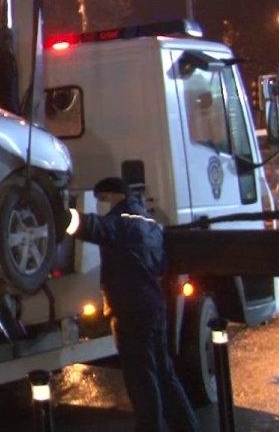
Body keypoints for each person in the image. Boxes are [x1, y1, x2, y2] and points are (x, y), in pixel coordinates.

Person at [61, 177, 199, 432]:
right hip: (153, 307)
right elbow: (160, 265)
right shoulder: (152, 225)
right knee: (164, 374)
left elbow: (92, 226)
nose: (102, 206)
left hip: (131, 312)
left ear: (114, 196)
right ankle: (188, 427)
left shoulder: (123, 223)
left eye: (103, 200)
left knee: (142, 381)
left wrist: (60, 214)